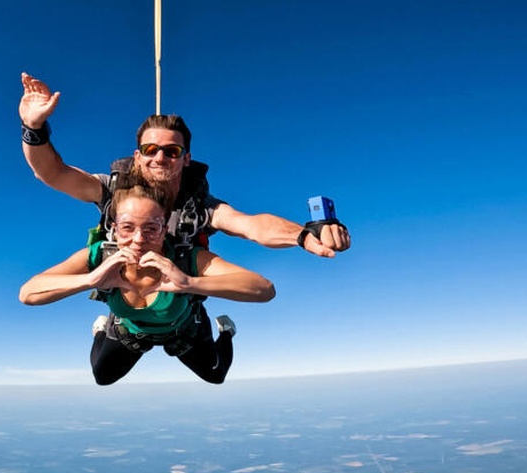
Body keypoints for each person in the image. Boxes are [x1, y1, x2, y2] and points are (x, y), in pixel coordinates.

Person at [19, 72, 351, 257]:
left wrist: (304, 234)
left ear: (186, 158)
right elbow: (51, 172)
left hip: (181, 298)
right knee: (105, 372)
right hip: (131, 298)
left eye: (172, 151)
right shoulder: (112, 189)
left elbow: (251, 225)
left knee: (212, 370)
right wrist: (34, 129)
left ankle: (219, 331)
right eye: (150, 149)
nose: (160, 157)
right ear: (137, 156)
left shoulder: (200, 206)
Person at [19, 177, 275, 385]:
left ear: (164, 231)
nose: (139, 239)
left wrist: (187, 282)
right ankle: (100, 330)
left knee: (216, 376)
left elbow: (264, 289)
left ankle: (227, 332)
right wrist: (90, 279)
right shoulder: (99, 256)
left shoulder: (187, 259)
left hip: (184, 330)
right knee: (102, 376)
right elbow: (28, 294)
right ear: (115, 229)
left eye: (151, 228)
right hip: (131, 332)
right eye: (128, 228)